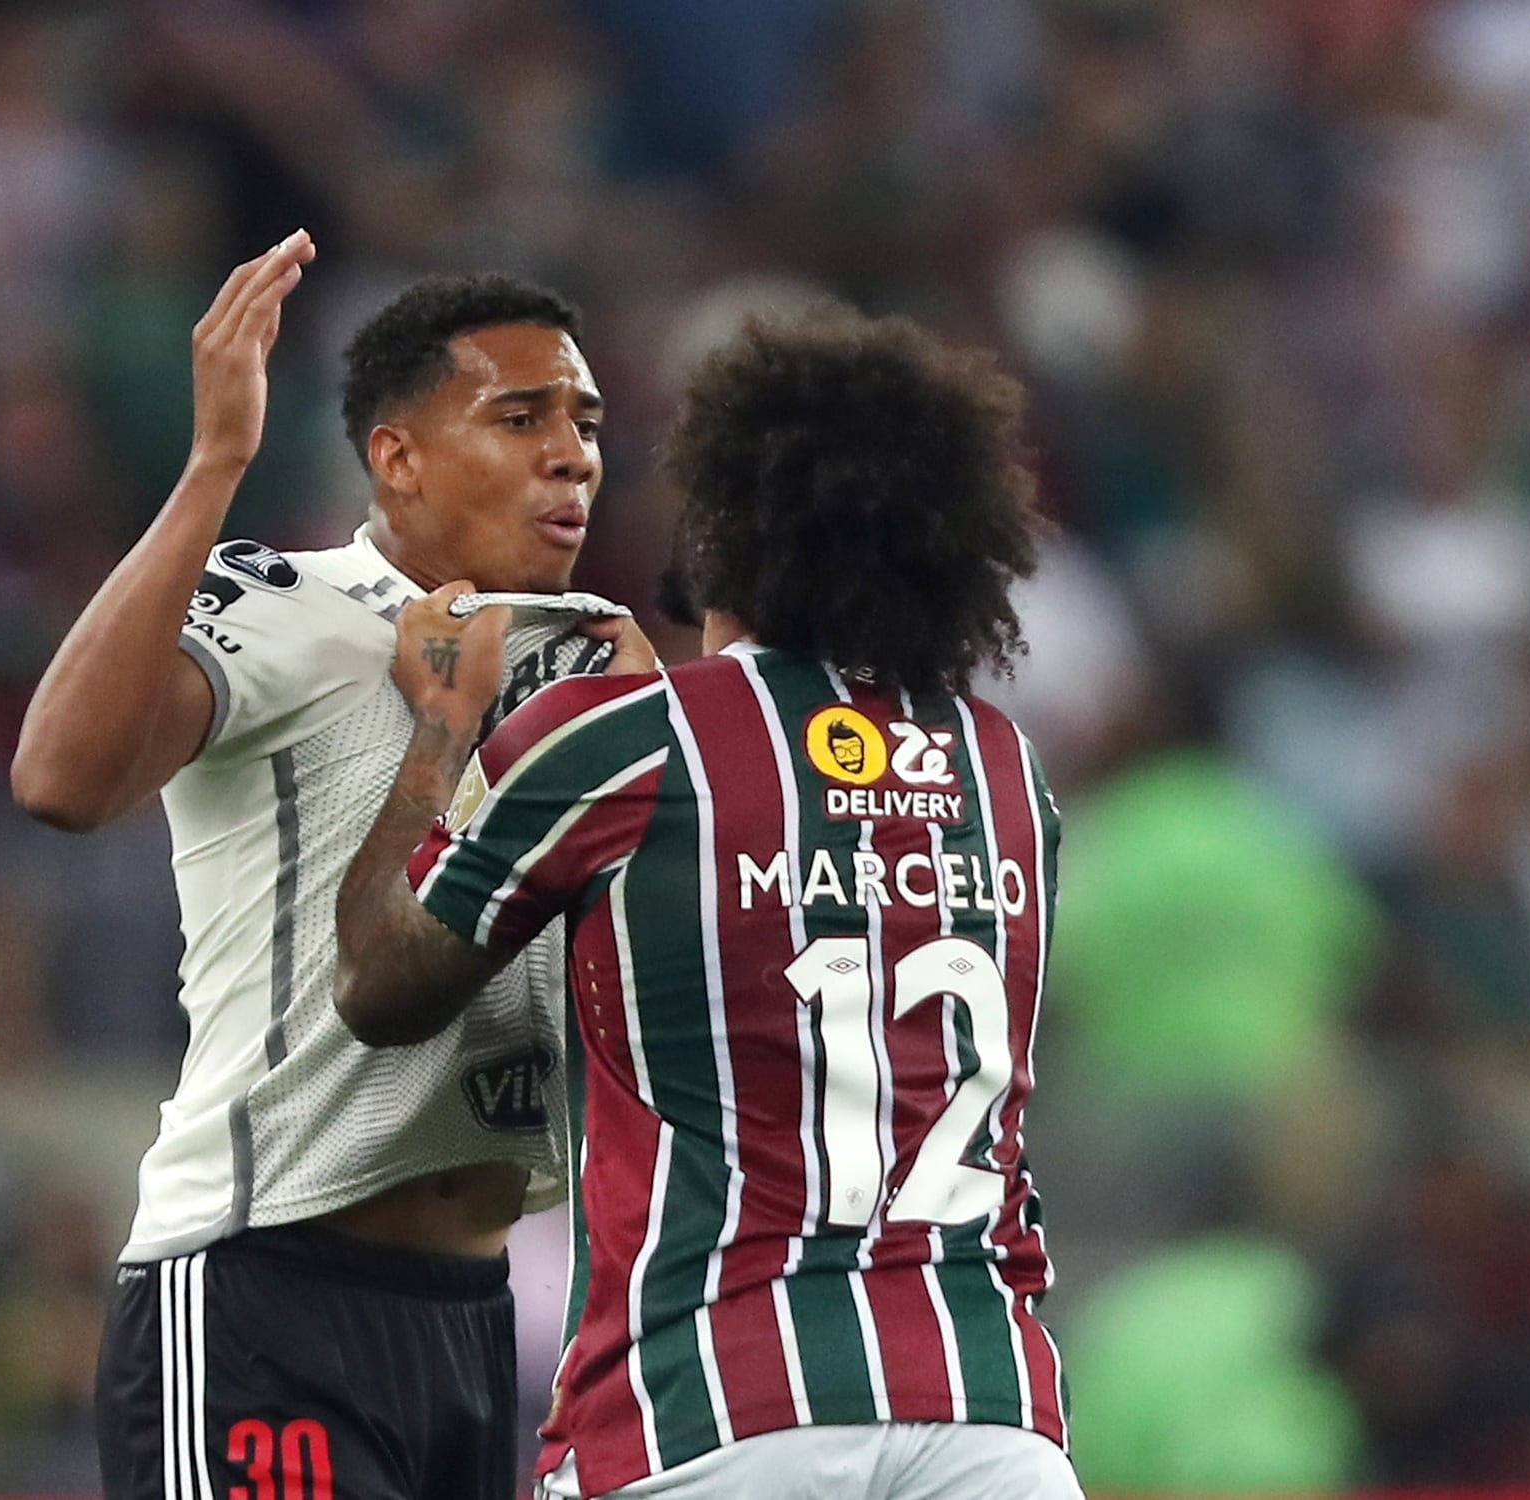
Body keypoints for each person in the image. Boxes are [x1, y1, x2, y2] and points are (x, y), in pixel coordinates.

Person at [335, 312, 1084, 1499]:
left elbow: (379, 985)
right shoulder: (1005, 772)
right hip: (989, 1412)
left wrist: (436, 729)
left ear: (726, 527)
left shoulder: (629, 743)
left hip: (713, 1402)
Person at [12, 230, 621, 1500]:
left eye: (583, 418)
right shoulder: (281, 597)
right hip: (256, 1287)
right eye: (519, 417)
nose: (571, 453)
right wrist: (213, 465)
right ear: (394, 457)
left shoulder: (599, 665)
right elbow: (59, 780)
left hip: (474, 1314)